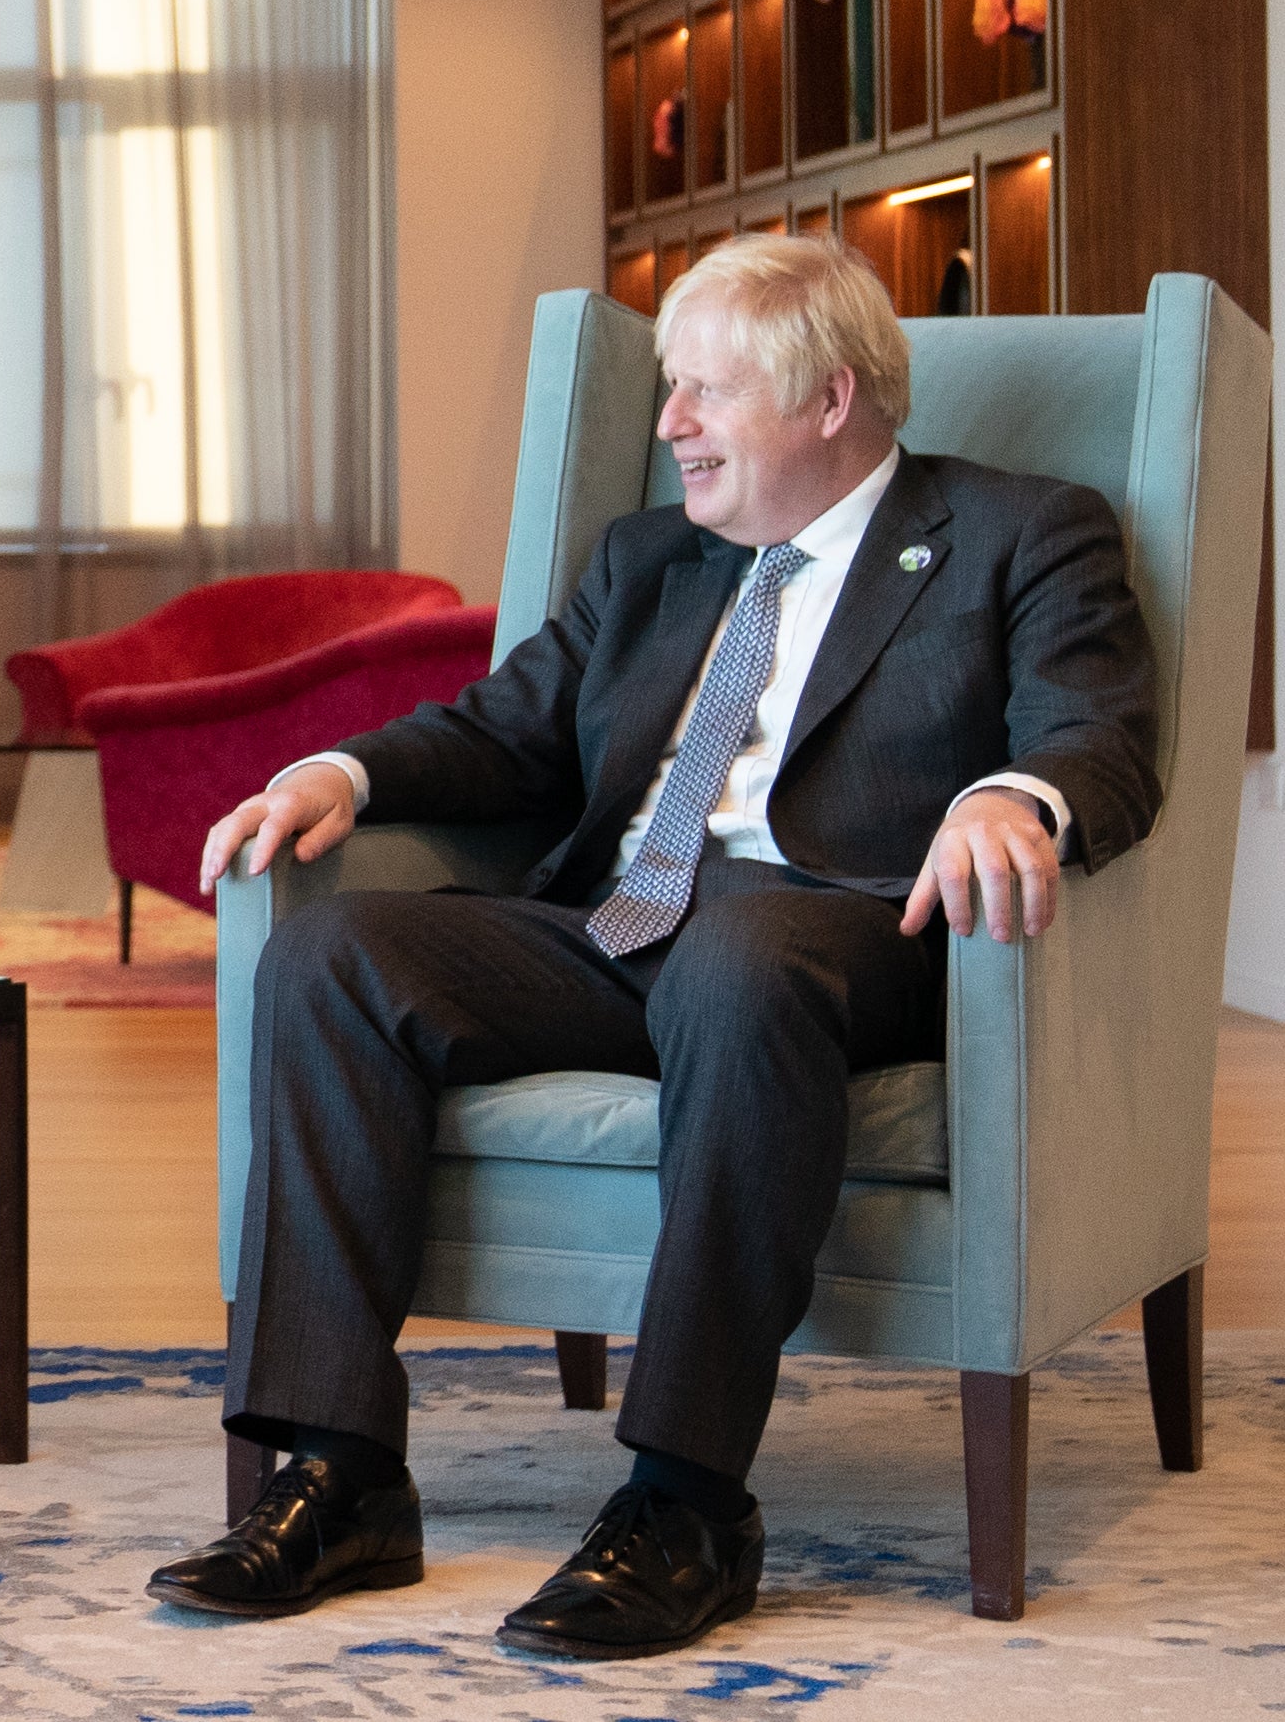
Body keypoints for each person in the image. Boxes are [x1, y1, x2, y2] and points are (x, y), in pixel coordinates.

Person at [148, 235, 1159, 1660]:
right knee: (330, 958)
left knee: (743, 963)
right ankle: (341, 1474)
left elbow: (1098, 740)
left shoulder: (1018, 530)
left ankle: (683, 1504)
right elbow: (505, 730)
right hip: (619, 934)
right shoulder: (649, 563)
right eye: (666, 390)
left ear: (829, 399)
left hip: (833, 939)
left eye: (704, 393)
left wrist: (1010, 795)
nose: (668, 423)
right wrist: (345, 775)